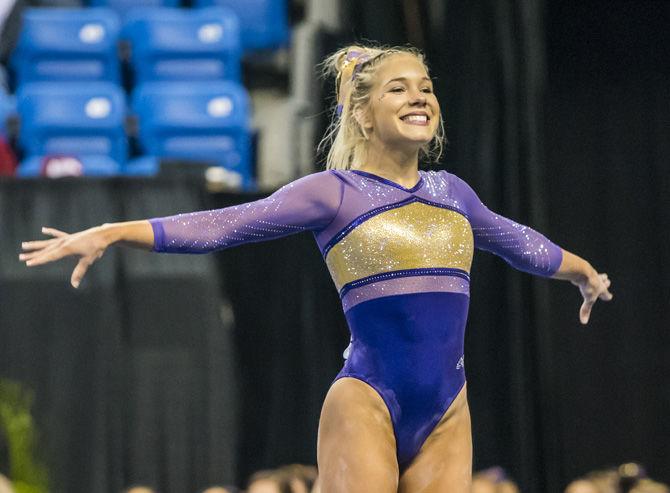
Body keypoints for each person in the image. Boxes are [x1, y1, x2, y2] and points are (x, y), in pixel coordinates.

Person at [19, 44, 613, 492]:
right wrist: (116, 230)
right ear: (361, 113)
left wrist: (581, 271)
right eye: (398, 89)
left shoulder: (453, 192)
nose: (420, 98)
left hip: (447, 405)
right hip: (368, 399)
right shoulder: (334, 193)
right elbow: (227, 225)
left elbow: (517, 241)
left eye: (426, 87)